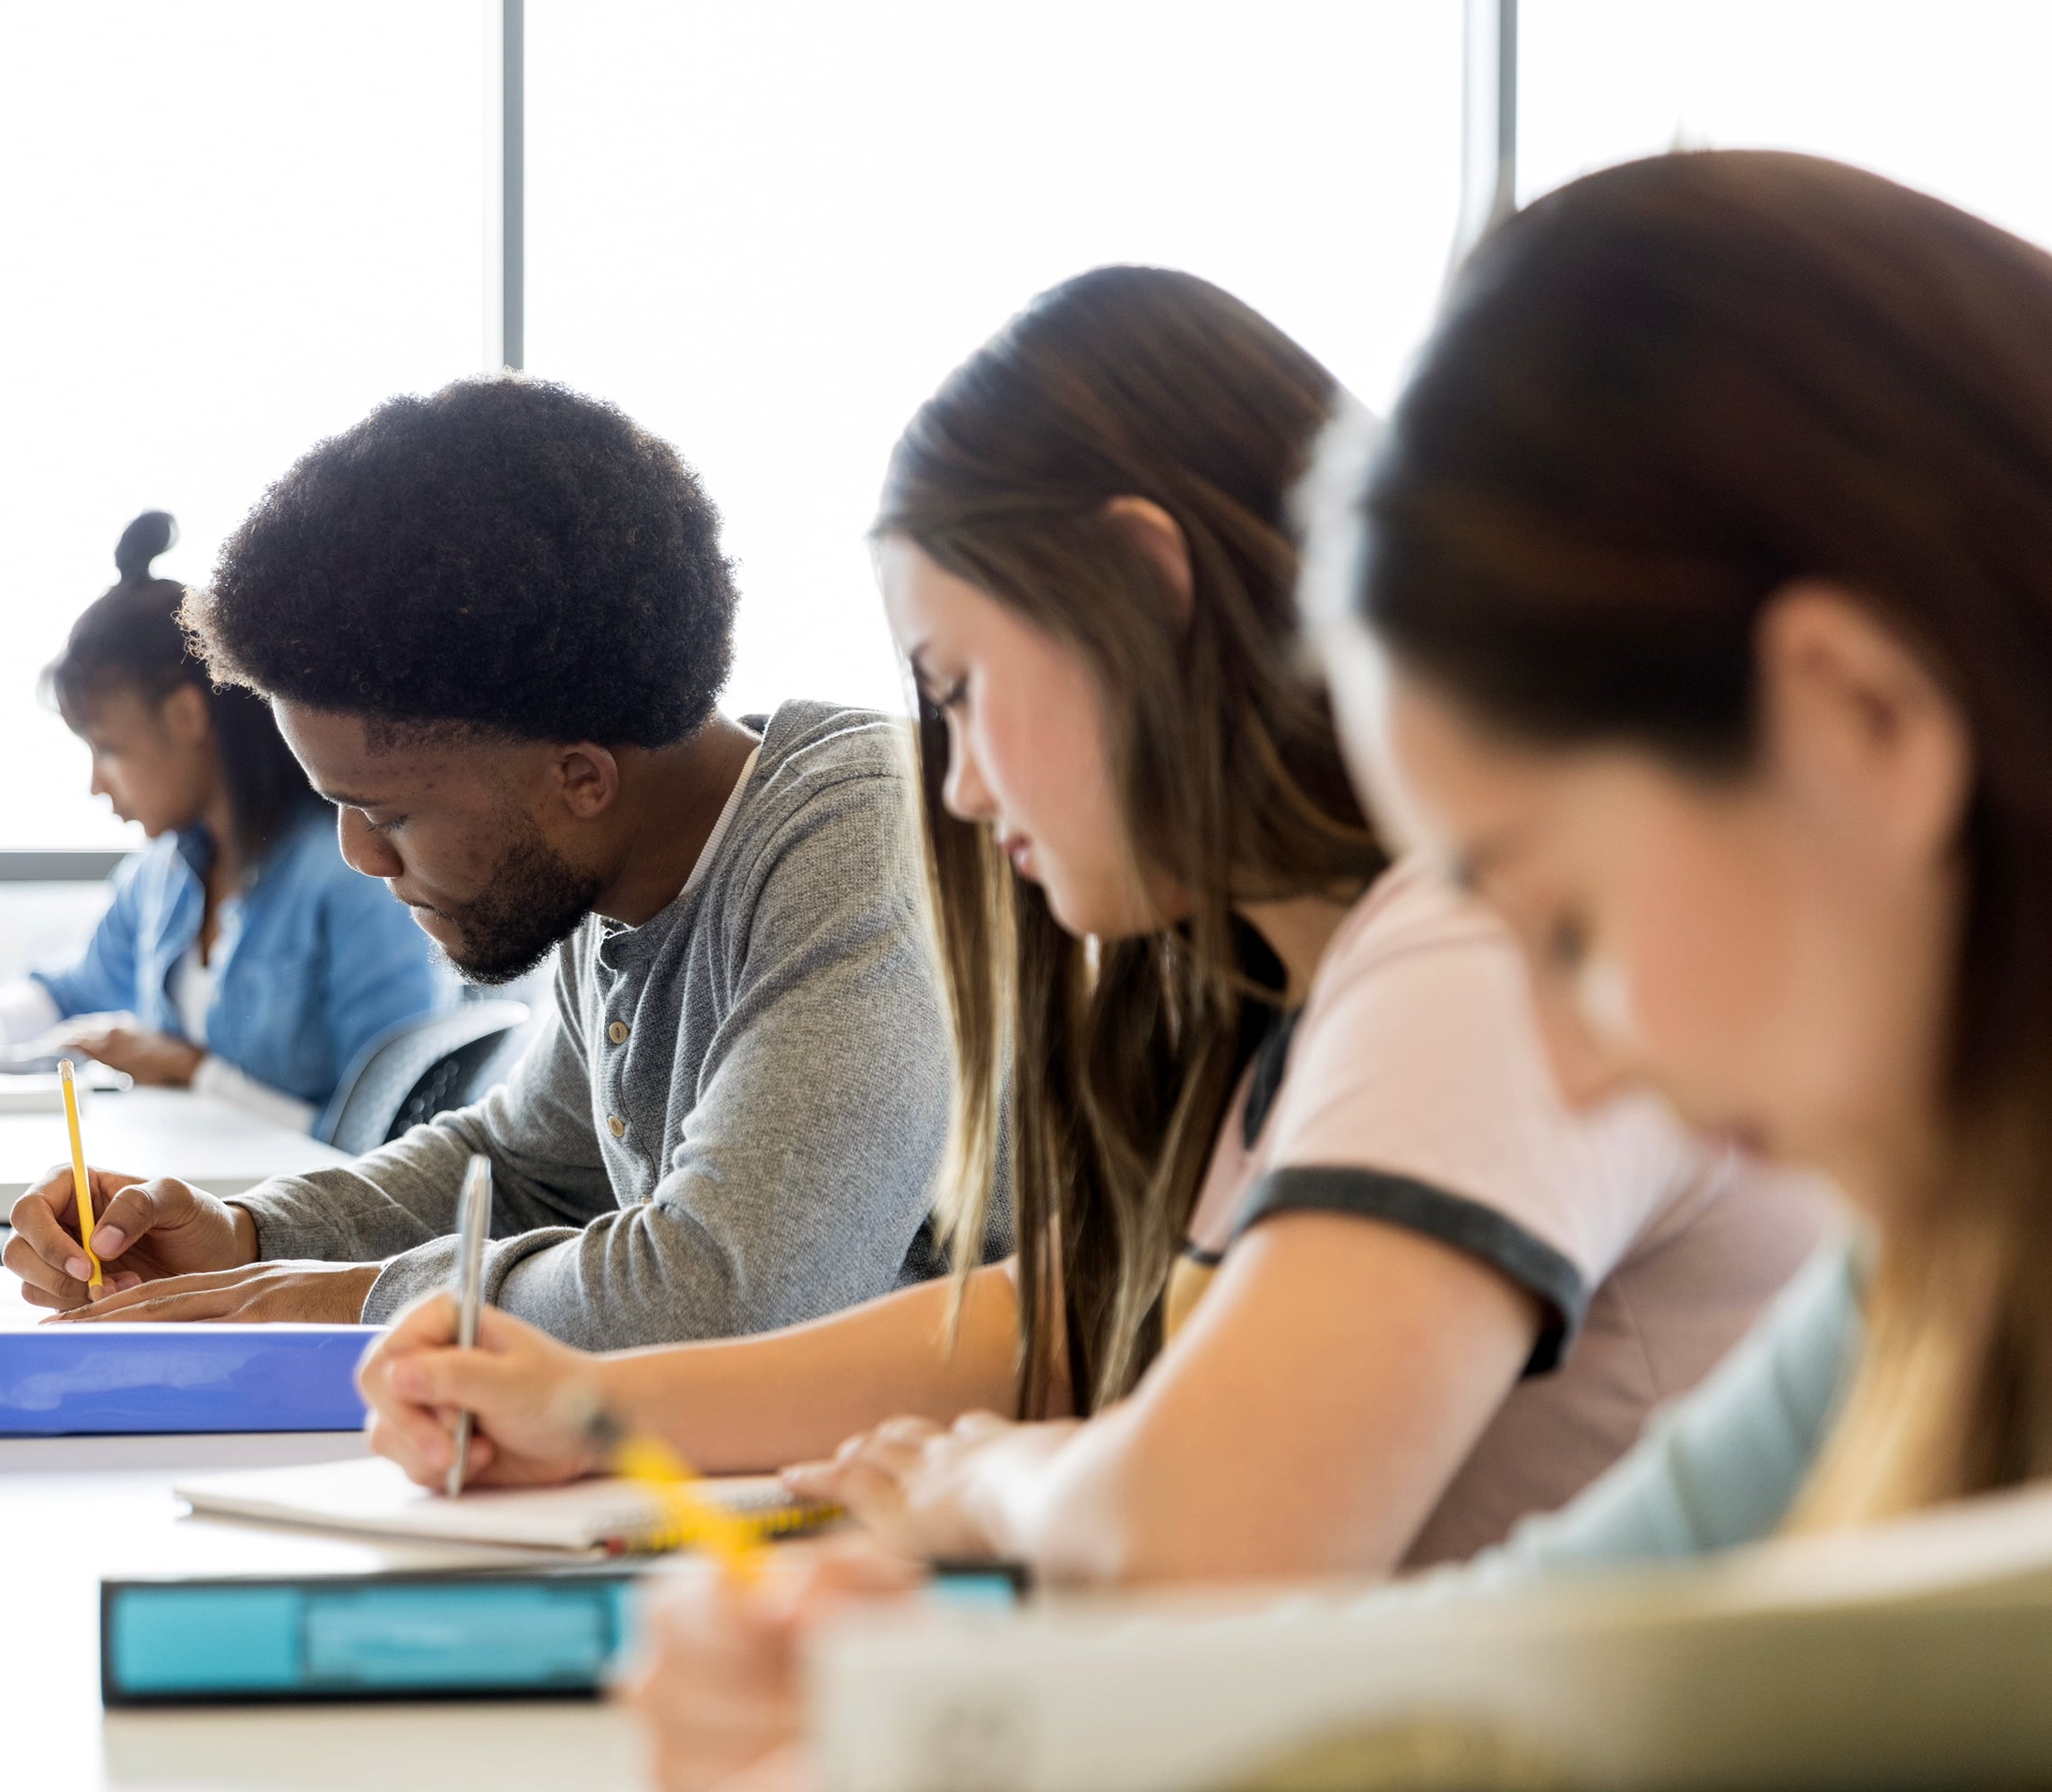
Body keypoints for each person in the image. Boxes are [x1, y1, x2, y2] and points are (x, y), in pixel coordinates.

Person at [632, 150, 2052, 1790]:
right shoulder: (1932, 1276)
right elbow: (1542, 1669)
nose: (1577, 1073)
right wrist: (913, 1713)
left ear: (1863, 723)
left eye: (1571, 923)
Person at [353, 266, 1823, 1601]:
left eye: (965, 689)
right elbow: (1077, 1316)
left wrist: (978, 1480)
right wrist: (603, 1410)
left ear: (1143, 586)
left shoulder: (1471, 952)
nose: (959, 782)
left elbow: (1209, 1534)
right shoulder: (1286, 986)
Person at [0, 379, 970, 1341]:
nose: (359, 854)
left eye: (387, 812)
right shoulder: (617, 878)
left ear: (580, 778)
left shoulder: (862, 849)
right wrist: (249, 1236)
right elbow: (522, 1166)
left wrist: (338, 1296)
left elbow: (727, 1287)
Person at [0, 512, 443, 1133]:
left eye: (109, 750)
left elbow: (388, 1129)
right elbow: (76, 993)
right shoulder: (163, 876)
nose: (96, 784)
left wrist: (193, 1072)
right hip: (187, 1194)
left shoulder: (351, 878)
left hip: (303, 1216)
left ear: (185, 715)